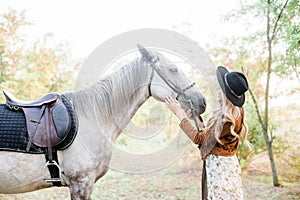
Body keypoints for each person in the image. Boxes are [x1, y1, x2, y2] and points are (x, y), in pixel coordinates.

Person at [165, 66, 249, 200]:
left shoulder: (224, 119)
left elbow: (199, 139)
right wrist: (196, 120)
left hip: (219, 169)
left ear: (225, 94)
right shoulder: (236, 113)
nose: (217, 89)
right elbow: (210, 137)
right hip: (228, 167)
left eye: (220, 88)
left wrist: (179, 113)